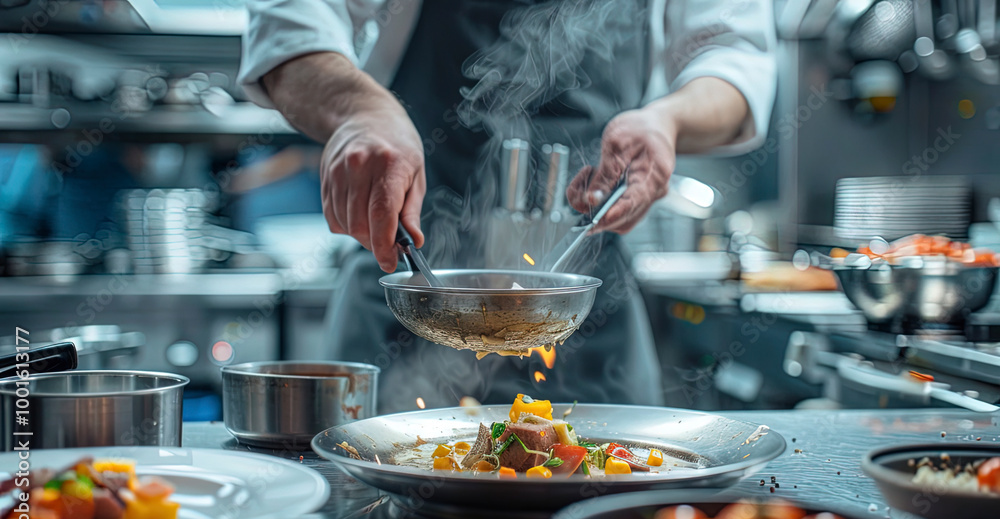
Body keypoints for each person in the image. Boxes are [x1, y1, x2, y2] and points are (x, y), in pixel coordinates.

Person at [239, 0, 776, 413]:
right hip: (408, 288)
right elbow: (290, 19)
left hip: (588, 312)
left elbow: (735, 58)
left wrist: (669, 120)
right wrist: (356, 109)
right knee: (374, 510)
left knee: (610, 512)